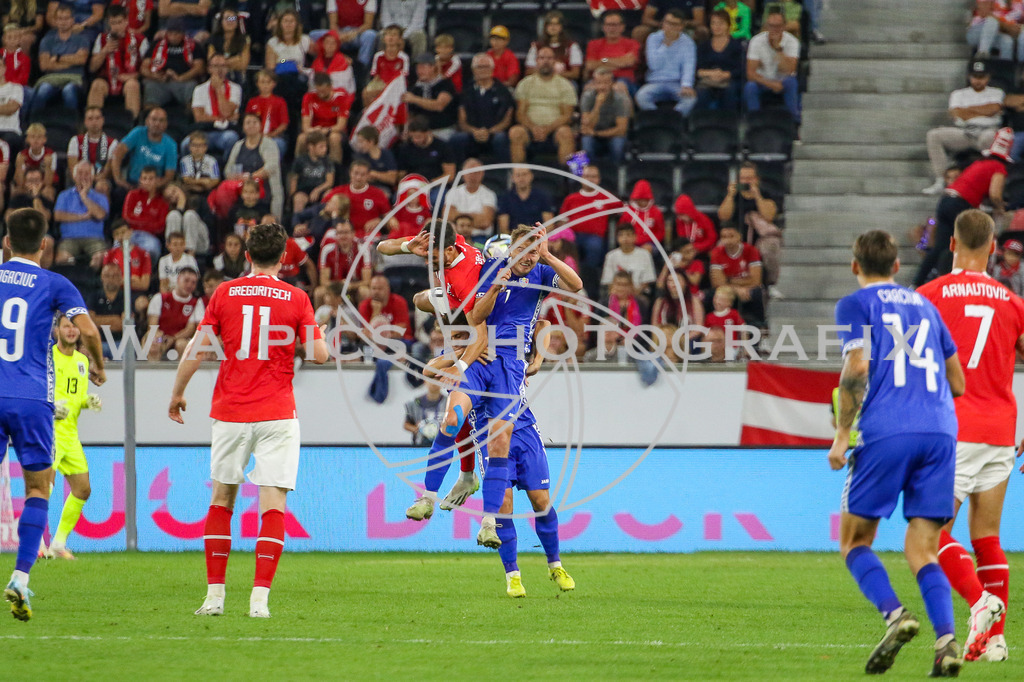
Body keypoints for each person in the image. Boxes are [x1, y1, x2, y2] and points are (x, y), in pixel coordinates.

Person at [169, 222, 329, 618]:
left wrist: (177, 392)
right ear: (284, 258)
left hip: (231, 410)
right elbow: (318, 356)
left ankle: (214, 598)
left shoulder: (224, 293)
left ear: (247, 255)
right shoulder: (297, 297)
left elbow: (197, 348)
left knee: (222, 499)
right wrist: (319, 337)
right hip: (277, 412)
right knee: (273, 503)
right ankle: (259, 602)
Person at [829, 229, 966, 677]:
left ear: (855, 266)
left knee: (854, 541)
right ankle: (946, 642)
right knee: (923, 549)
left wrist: (842, 434)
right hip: (941, 431)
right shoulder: (927, 306)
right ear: (896, 266)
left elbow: (857, 365)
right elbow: (958, 382)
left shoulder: (855, 304)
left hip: (888, 430)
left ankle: (895, 615)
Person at [917, 209, 1024, 663]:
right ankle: (996, 640)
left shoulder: (928, 297)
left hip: (952, 430)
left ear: (952, 244)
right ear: (993, 247)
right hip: (1000, 430)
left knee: (929, 533)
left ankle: (980, 602)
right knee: (987, 535)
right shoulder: (1013, 302)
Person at [446, 224, 583, 548]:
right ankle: (465, 477)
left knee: (497, 433)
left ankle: (487, 512)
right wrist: (494, 288)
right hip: (480, 353)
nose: (529, 257)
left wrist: (549, 256)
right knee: (454, 407)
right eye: (524, 249)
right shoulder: (489, 270)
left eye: (535, 251)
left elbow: (574, 287)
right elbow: (474, 316)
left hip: (509, 363)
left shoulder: (541, 273)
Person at [0, 207, 105, 621]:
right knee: (38, 489)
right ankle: (20, 579)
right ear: (44, 245)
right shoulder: (54, 282)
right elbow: (90, 330)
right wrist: (98, 366)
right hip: (31, 399)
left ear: (7, 243)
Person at [376, 221, 487, 516]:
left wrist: (460, 364)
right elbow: (382, 247)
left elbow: (481, 335)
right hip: (462, 328)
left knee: (468, 423)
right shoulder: (445, 241)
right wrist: (407, 246)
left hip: (482, 342)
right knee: (453, 419)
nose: (426, 261)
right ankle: (441, 489)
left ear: (449, 250)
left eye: (432, 257)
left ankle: (483, 505)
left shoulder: (464, 278)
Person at [915, 128, 1012, 287]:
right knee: (969, 244)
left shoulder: (979, 163)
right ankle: (963, 282)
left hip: (945, 200)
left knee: (940, 247)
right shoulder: (998, 167)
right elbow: (995, 194)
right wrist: (1001, 207)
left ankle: (918, 283)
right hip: (959, 205)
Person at [45, 314, 103, 560]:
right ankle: (35, 543)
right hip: (49, 431)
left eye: (74, 327)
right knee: (44, 488)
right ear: (57, 330)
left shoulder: (82, 361)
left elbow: (76, 397)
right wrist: (49, 407)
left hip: (70, 435)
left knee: (82, 489)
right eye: (66, 326)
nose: (71, 330)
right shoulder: (47, 357)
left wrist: (88, 402)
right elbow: (34, 389)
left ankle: (58, 543)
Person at [923, 62, 1005, 195]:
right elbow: (956, 113)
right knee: (934, 135)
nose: (978, 80)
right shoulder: (958, 94)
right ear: (969, 77)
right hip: (964, 132)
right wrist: (983, 111)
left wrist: (967, 111)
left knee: (991, 137)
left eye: (982, 77)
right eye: (975, 77)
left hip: (987, 131)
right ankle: (941, 180)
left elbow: (993, 109)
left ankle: (986, 186)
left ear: (988, 77)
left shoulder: (996, 92)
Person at [510, 46, 577, 164]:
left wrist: (547, 129)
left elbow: (567, 115)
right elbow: (520, 114)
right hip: (529, 129)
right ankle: (518, 172)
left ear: (555, 61)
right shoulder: (525, 83)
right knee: (515, 132)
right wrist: (533, 128)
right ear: (536, 61)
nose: (545, 61)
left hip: (556, 129)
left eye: (549, 58)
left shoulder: (565, 85)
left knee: (566, 133)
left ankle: (567, 174)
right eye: (542, 58)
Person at [86, 5, 147, 119]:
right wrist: (104, 51)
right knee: (97, 84)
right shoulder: (102, 38)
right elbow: (92, 68)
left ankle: (132, 122)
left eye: (119, 22)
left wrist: (135, 75)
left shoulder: (140, 40)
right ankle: (93, 122)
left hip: (129, 78)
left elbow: (146, 67)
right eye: (113, 23)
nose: (116, 27)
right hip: (107, 78)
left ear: (126, 21)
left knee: (132, 85)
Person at [452, 53, 514, 163]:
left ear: (492, 69)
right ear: (473, 70)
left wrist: (488, 132)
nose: (483, 70)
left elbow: (507, 119)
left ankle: (505, 172)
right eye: (479, 67)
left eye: (486, 67)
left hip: (495, 133)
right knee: (457, 138)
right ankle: (458, 171)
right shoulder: (466, 91)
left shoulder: (503, 91)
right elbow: (462, 120)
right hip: (472, 133)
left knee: (500, 138)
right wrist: (475, 131)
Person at [744, 8, 801, 124]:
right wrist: (770, 84)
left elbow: (790, 70)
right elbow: (750, 74)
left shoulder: (792, 42)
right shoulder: (756, 41)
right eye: (771, 26)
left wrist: (778, 50)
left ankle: (794, 122)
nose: (774, 29)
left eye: (778, 26)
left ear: (784, 26)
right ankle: (754, 123)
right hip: (762, 81)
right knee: (750, 87)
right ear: (766, 26)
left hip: (783, 80)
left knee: (791, 82)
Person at [635, 10, 697, 116]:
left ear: (681, 26)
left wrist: (686, 85)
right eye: (667, 22)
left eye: (674, 24)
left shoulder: (688, 42)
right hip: (655, 81)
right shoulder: (653, 38)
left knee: (690, 99)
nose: (669, 27)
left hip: (677, 82)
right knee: (641, 97)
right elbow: (653, 65)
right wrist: (665, 45)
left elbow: (689, 65)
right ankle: (658, 118)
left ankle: (673, 118)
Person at [32, 3, 90, 115]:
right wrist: (71, 61)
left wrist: (57, 58)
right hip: (51, 78)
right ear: (56, 21)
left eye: (66, 18)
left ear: (72, 20)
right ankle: (34, 121)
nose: (63, 22)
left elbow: (81, 60)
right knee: (42, 91)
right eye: (60, 19)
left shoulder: (82, 39)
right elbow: (44, 65)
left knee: (69, 90)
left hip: (74, 78)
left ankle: (73, 121)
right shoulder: (47, 40)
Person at [224, 113, 285, 218]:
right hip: (241, 187)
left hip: (264, 188)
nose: (251, 125)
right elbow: (228, 169)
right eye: (248, 123)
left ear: (260, 125)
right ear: (243, 127)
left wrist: (251, 176)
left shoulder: (269, 144)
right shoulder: (238, 145)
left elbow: (271, 167)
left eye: (255, 122)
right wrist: (236, 177)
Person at [54, 161, 108, 269]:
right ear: (74, 176)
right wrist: (83, 217)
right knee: (62, 259)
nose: (83, 176)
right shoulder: (64, 195)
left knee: (100, 258)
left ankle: (91, 279)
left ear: (92, 177)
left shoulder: (100, 197)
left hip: (94, 239)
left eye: (87, 173)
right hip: (69, 239)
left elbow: (100, 215)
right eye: (80, 173)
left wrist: (84, 196)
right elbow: (58, 216)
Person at [186, 54, 243, 157]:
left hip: (226, 131)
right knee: (185, 144)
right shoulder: (199, 89)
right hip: (205, 131)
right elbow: (199, 118)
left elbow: (226, 112)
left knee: (231, 138)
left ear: (227, 69)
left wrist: (218, 90)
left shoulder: (235, 88)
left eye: (223, 66)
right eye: (216, 66)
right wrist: (224, 119)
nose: (219, 70)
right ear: (209, 69)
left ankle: (227, 167)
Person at [140, 18, 203, 109]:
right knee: (150, 87)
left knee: (192, 87)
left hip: (184, 81)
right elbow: (144, 67)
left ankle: (191, 116)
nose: (173, 37)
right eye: (170, 33)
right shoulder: (156, 44)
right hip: (160, 82)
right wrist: (154, 76)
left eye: (176, 33)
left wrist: (181, 77)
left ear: (183, 33)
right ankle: (150, 115)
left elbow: (199, 67)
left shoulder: (193, 45)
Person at [709, 223, 765, 327]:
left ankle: (760, 325)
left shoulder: (751, 250)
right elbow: (717, 283)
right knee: (711, 294)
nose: (727, 240)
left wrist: (730, 281)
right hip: (730, 289)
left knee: (757, 292)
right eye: (724, 237)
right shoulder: (716, 252)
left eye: (731, 236)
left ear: (739, 236)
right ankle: (715, 325)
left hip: (748, 288)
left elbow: (756, 280)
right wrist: (736, 289)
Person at [111, 107, 177, 190]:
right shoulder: (138, 133)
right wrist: (118, 179)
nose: (157, 124)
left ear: (166, 124)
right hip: (132, 183)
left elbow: (169, 176)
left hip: (156, 187)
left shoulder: (171, 145)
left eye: (161, 121)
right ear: (147, 121)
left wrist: (151, 187)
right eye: (154, 119)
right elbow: (118, 153)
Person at [145, 265, 202, 360]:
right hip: (161, 337)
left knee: (182, 344)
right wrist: (162, 339)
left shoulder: (196, 303)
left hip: (180, 339)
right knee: (154, 339)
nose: (189, 285)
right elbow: (152, 326)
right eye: (186, 281)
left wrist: (173, 338)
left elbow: (190, 329)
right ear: (178, 279)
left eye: (193, 283)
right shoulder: (160, 298)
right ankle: (152, 367)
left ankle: (181, 369)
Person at [695, 9, 744, 112]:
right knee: (701, 92)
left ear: (728, 25)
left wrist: (725, 75)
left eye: (721, 23)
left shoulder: (736, 46)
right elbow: (697, 69)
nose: (717, 26)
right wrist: (711, 73)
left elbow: (740, 69)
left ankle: (730, 121)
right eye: (713, 23)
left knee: (730, 91)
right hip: (707, 80)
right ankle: (700, 121)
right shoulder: (703, 46)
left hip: (729, 80)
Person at [580, 67, 630, 165]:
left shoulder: (621, 98)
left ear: (612, 83)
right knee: (587, 144)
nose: (602, 87)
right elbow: (587, 126)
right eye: (598, 83)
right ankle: (590, 172)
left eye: (606, 83)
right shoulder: (587, 96)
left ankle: (617, 172)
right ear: (593, 83)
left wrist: (596, 133)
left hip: (613, 135)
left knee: (618, 146)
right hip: (593, 135)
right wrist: (597, 105)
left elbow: (621, 130)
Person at [298, 71, 351, 163]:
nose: (321, 94)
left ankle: (334, 167)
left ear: (330, 87)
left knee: (334, 138)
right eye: (318, 91)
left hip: (333, 130)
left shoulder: (341, 97)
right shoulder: (309, 97)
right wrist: (313, 130)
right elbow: (305, 126)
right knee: (302, 138)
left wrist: (327, 130)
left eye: (323, 91)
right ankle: (299, 166)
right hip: (315, 130)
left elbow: (341, 125)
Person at [402, 53, 458, 140]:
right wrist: (407, 129)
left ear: (433, 67)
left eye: (423, 67)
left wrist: (414, 99)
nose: (419, 71)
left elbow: (439, 105)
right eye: (417, 68)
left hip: (442, 130)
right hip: (421, 132)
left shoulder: (445, 84)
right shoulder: (415, 89)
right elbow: (411, 114)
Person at [584, 11, 641, 96]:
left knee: (618, 88)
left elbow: (629, 62)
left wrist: (603, 60)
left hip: (624, 80)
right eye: (608, 25)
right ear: (603, 27)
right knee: (588, 88)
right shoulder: (593, 44)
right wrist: (619, 62)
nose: (612, 28)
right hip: (599, 78)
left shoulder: (632, 43)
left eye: (615, 25)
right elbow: (590, 65)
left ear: (622, 27)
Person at [67, 106, 118, 195]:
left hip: (101, 179)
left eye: (97, 118)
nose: (94, 122)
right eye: (90, 119)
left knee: (101, 186)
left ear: (102, 120)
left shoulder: (112, 143)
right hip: (79, 178)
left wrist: (92, 179)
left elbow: (107, 172)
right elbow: (73, 169)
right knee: (80, 185)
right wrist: (84, 180)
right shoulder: (75, 140)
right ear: (85, 122)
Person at [443, 158, 497, 238]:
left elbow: (485, 222)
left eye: (476, 173)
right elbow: (448, 217)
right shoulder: (453, 192)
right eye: (469, 172)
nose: (473, 176)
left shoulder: (489, 194)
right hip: (457, 238)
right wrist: (476, 217)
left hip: (479, 239)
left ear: (482, 174)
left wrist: (459, 218)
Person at [525, 10, 583, 83]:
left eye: (556, 24)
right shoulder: (536, 46)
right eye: (550, 24)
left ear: (561, 27)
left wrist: (554, 74)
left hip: (564, 82)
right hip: (540, 82)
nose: (553, 27)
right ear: (545, 27)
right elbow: (529, 72)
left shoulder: (572, 46)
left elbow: (575, 74)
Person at [244, 70, 290, 161]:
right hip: (254, 136)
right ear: (257, 84)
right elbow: (247, 121)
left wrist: (271, 134)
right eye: (262, 82)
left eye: (268, 82)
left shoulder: (280, 101)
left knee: (279, 144)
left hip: (273, 137)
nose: (265, 85)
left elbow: (284, 124)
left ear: (274, 84)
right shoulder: (252, 102)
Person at [601, 223, 657, 296]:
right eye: (621, 235)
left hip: (639, 294)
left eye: (628, 235)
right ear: (617, 238)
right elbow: (608, 282)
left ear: (635, 237)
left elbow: (646, 281)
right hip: (617, 294)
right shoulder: (610, 256)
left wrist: (633, 296)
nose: (625, 238)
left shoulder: (645, 254)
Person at [497, 167, 555, 235]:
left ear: (531, 176)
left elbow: (549, 226)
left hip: (539, 237)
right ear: (512, 178)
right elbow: (504, 229)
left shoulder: (543, 196)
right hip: (514, 238)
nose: (521, 178)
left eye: (524, 174)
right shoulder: (505, 198)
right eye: (518, 175)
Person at [290, 130, 334, 215]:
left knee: (329, 194)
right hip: (304, 190)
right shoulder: (300, 161)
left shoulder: (327, 161)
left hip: (321, 189)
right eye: (321, 147)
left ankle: (325, 220)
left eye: (325, 146)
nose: (325, 149)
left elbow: (329, 182)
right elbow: (294, 180)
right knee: (298, 199)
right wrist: (292, 195)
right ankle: (297, 220)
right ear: (311, 147)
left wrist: (317, 190)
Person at [326, 0, 377, 67]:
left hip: (358, 33)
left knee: (370, 35)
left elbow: (368, 25)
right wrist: (338, 35)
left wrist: (352, 33)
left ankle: (361, 66)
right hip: (340, 34)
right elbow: (333, 25)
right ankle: (326, 65)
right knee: (315, 35)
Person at [207, 5, 250, 85]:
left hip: (237, 75)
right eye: (227, 18)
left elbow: (243, 64)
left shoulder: (244, 39)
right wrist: (236, 59)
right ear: (221, 21)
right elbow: (212, 62)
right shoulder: (213, 38)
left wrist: (221, 63)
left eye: (233, 18)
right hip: (217, 75)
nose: (230, 21)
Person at [351, 125, 398, 190]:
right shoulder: (359, 156)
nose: (359, 145)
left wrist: (375, 174)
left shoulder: (386, 154)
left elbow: (392, 179)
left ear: (371, 142)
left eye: (361, 142)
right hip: (365, 188)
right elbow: (359, 177)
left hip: (383, 188)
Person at [404, 380, 445, 446]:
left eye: (437, 380)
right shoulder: (415, 403)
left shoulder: (449, 402)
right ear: (425, 381)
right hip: (420, 444)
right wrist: (418, 428)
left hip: (443, 444)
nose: (434, 383)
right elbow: (406, 424)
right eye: (431, 379)